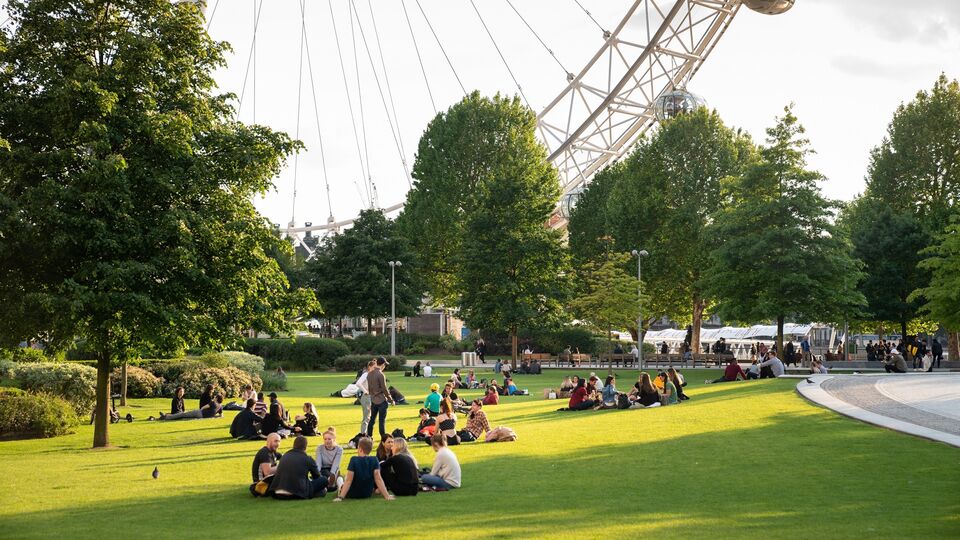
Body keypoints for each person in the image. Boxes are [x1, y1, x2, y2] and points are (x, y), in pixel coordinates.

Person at [335, 437, 394, 501]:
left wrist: (340, 497)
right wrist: (387, 496)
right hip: (367, 493)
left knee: (340, 478)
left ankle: (339, 492)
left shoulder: (354, 460)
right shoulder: (374, 460)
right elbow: (378, 479)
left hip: (351, 493)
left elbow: (349, 480)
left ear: (360, 449)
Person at [366, 357, 393, 439]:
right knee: (381, 421)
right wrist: (390, 399)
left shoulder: (369, 374)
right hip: (381, 400)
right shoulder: (381, 374)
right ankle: (383, 438)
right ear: (383, 364)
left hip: (373, 400)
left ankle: (369, 436)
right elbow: (384, 389)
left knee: (372, 420)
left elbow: (370, 389)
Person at [356, 360, 374, 436]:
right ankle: (363, 433)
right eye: (374, 367)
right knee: (367, 417)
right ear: (369, 367)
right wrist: (365, 391)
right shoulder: (366, 374)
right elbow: (358, 383)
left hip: (372, 396)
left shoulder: (372, 374)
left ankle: (367, 434)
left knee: (370, 417)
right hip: (366, 396)